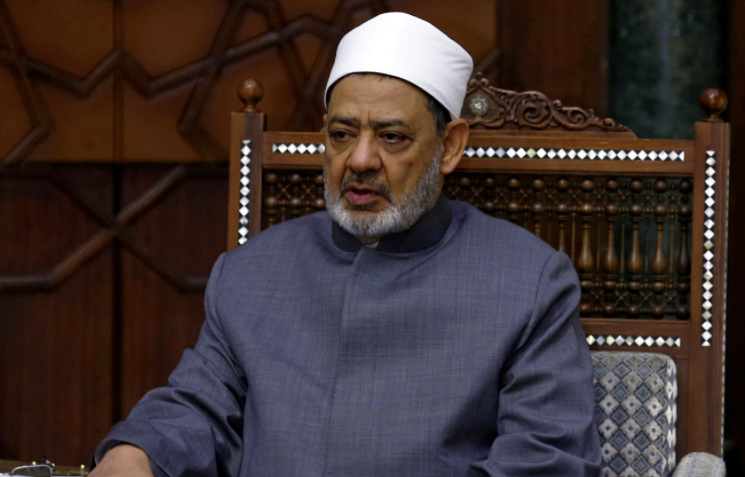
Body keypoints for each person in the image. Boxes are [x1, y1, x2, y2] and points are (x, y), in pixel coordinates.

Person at [91, 12, 602, 477]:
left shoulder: (529, 283)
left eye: (392, 137)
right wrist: (136, 454)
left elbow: (546, 461)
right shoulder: (250, 272)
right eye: (342, 134)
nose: (359, 160)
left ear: (449, 147)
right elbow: (197, 408)